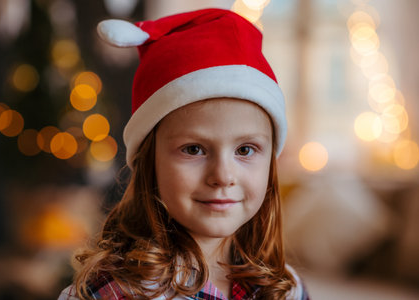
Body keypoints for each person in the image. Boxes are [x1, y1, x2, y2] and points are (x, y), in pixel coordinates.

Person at [59, 8, 309, 300]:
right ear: (149, 161)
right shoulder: (115, 292)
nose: (223, 176)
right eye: (194, 149)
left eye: (245, 149)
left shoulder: (285, 289)